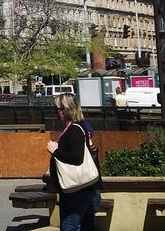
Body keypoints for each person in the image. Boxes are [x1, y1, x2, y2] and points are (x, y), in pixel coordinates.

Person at [47, 94, 102, 231]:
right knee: (86, 225)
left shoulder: (74, 130)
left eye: (59, 109)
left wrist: (55, 151)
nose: (57, 113)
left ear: (67, 109)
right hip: (81, 187)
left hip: (77, 189)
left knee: (69, 226)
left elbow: (77, 158)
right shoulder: (75, 127)